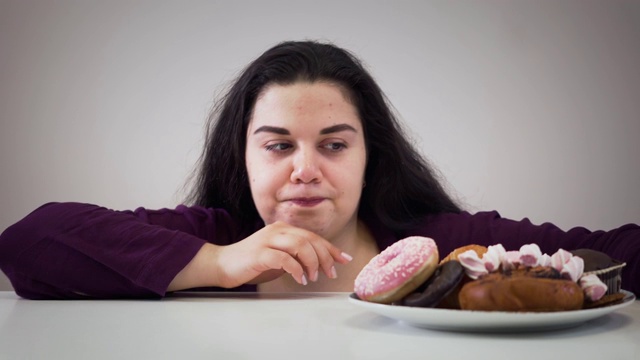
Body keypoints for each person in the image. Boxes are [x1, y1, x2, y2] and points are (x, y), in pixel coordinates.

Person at [0, 40, 638, 299]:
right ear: (242, 157)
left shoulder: (443, 242)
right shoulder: (210, 236)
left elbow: (617, 253)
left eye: (333, 145)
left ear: (370, 158)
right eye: (278, 146)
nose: (305, 170)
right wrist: (218, 266)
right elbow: (27, 241)